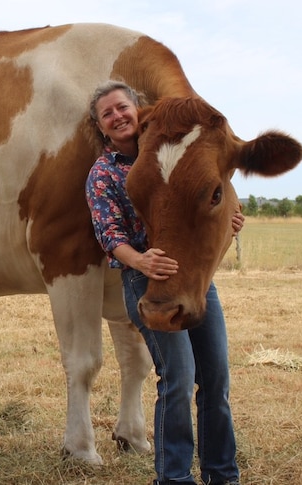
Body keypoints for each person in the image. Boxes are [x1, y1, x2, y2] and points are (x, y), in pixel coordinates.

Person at [84, 80, 243, 485]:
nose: (118, 117)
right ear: (101, 127)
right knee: (177, 378)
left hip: (193, 280)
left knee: (216, 376)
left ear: (138, 110)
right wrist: (140, 260)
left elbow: (209, 201)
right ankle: (173, 478)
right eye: (108, 114)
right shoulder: (103, 174)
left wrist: (229, 218)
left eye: (122, 107)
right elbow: (109, 234)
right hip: (147, 281)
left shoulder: (172, 154)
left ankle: (222, 474)